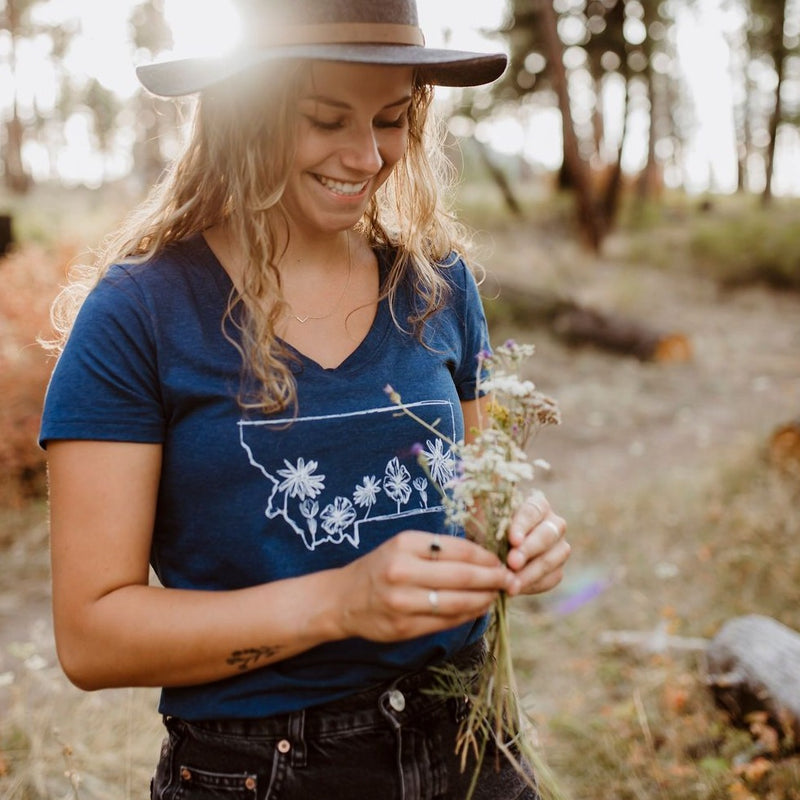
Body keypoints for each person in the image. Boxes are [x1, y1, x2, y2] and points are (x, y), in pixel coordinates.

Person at [40, 1, 570, 797]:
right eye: (327, 119)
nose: (366, 156)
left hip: (467, 738)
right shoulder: (140, 313)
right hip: (262, 767)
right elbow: (92, 636)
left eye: (392, 121)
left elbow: (470, 503)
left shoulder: (439, 287)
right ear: (243, 115)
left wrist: (517, 537)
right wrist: (341, 604)